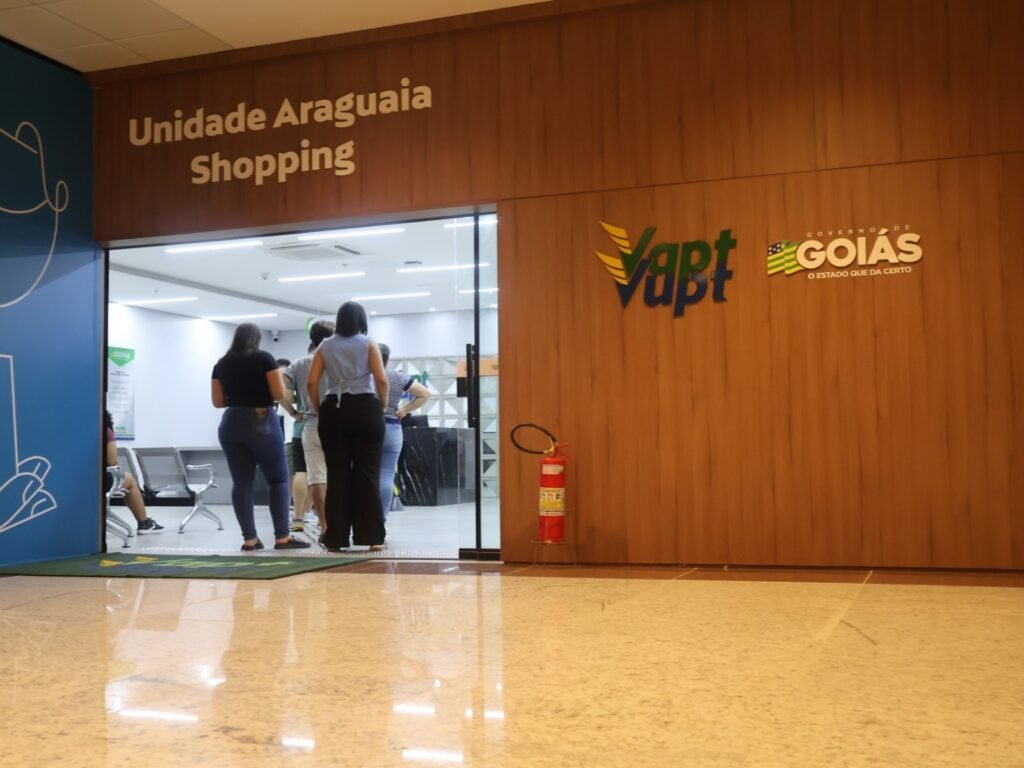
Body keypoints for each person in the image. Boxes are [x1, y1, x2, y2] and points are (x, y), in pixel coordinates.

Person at [211, 323, 310, 551]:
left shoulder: (221, 364)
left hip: (230, 423)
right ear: (256, 339)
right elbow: (278, 393)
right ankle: (282, 538)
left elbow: (217, 402)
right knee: (277, 479)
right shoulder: (264, 358)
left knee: (241, 483)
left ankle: (250, 540)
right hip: (261, 420)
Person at [307, 302, 388, 551]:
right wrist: (382, 406)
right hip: (365, 408)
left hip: (334, 409)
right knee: (367, 473)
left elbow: (312, 382)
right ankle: (373, 538)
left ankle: (335, 538)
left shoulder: (325, 345)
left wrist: (320, 408)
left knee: (337, 474)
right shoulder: (369, 343)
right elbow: (381, 379)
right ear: (361, 320)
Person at [280, 321, 334, 540]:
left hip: (308, 424)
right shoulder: (338, 361)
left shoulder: (299, 363)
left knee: (311, 474)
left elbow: (278, 390)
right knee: (337, 474)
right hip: (337, 423)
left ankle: (314, 523)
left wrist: (293, 411)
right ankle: (334, 521)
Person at [377, 343, 430, 520]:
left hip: (368, 428)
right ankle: (381, 521)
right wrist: (405, 409)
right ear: (387, 359)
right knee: (386, 475)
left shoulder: (363, 376)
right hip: (392, 429)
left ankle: (364, 520)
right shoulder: (397, 376)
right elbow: (424, 393)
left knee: (364, 474)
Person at [103, 410, 163, 533]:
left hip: (77, 478)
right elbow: (112, 461)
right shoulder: (105, 431)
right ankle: (144, 522)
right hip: (98, 479)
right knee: (130, 480)